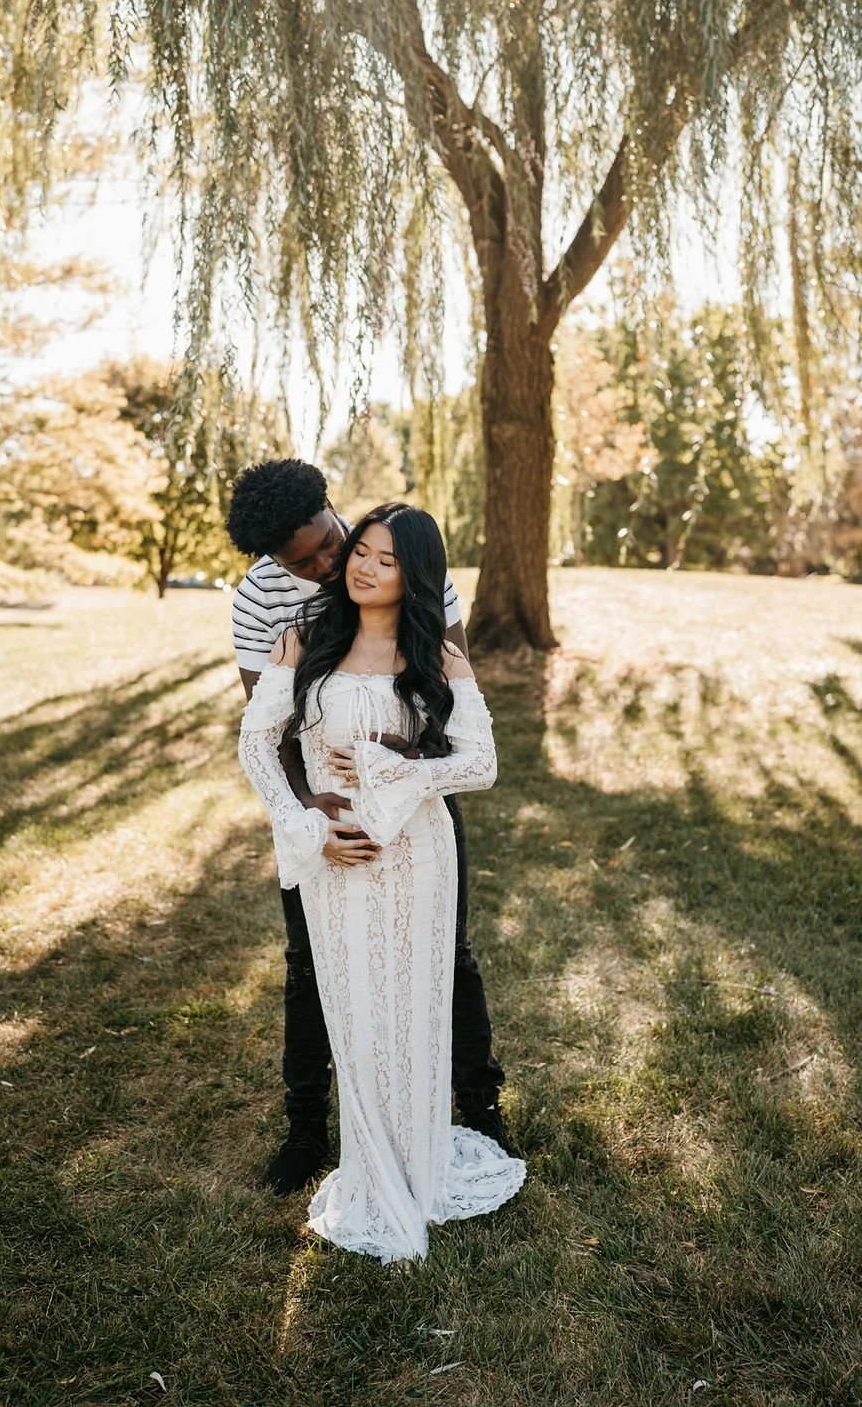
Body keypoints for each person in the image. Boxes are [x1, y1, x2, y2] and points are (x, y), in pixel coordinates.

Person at [237, 503, 525, 1262]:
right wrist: (310, 827)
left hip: (420, 853)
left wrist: (403, 770)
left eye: (385, 560)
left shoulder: (440, 658)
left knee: (418, 1006)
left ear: (416, 574)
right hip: (338, 854)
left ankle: (424, 1161)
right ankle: (367, 1166)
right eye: (361, 551)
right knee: (356, 1007)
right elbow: (257, 744)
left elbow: (481, 763)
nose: (362, 567)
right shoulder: (304, 639)